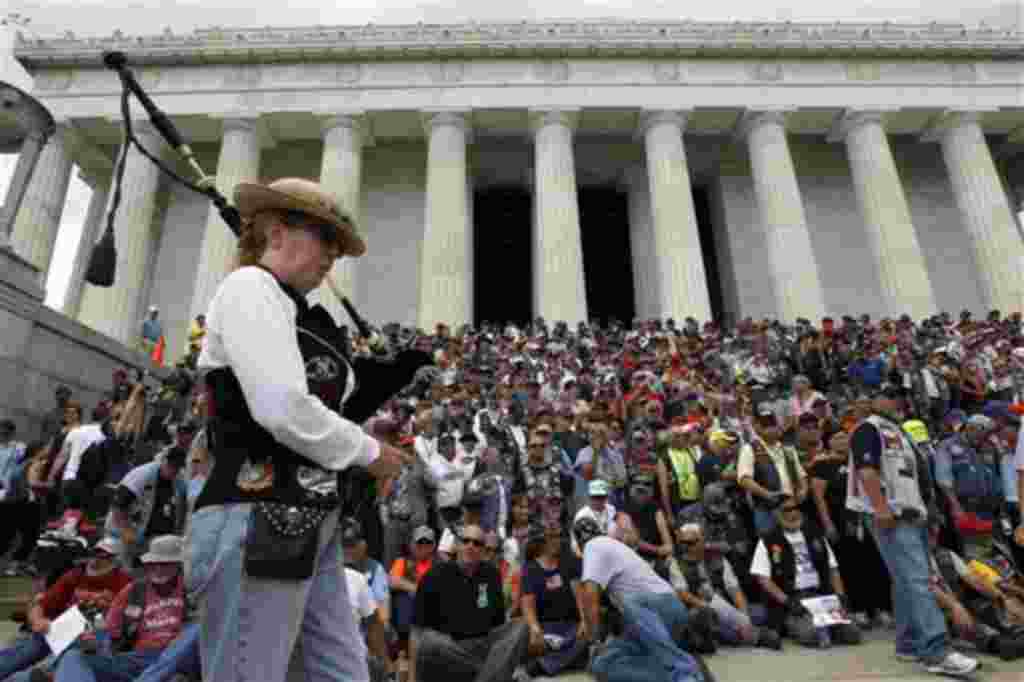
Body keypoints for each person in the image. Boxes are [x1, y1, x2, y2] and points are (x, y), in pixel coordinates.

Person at [188, 177, 417, 682]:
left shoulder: (300, 315)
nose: (332, 254)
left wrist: (379, 385)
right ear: (276, 234)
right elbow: (281, 407)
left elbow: (321, 408)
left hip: (312, 522)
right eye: (323, 237)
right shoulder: (250, 287)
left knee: (342, 671)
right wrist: (366, 451)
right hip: (258, 513)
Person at [848, 385, 979, 677]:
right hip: (891, 514)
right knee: (919, 580)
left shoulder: (899, 431)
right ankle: (936, 651)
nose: (894, 401)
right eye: (888, 395)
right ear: (875, 398)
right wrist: (880, 508)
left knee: (905, 580)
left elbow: (914, 475)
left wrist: (927, 512)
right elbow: (866, 471)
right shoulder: (868, 428)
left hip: (912, 514)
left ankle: (908, 643)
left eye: (898, 397)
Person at [54, 536, 189, 682]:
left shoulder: (193, 591)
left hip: (176, 658)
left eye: (165, 564)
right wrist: (95, 643)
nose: (158, 569)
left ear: (180, 565)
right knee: (73, 655)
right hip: (136, 659)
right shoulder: (133, 589)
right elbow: (108, 630)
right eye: (153, 563)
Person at [0, 537, 131, 682]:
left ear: (117, 561)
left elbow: (123, 622)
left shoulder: (124, 582)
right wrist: (38, 620)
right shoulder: (75, 575)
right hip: (61, 628)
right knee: (32, 644)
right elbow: (41, 605)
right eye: (96, 553)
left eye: (106, 556)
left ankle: (45, 672)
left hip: (95, 633)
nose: (98, 559)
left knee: (83, 645)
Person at [410, 524, 529, 682]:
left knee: (521, 626)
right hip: (449, 648)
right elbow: (417, 631)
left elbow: (498, 624)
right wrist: (413, 679)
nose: (470, 546)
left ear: (482, 550)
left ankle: (487, 675)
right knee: (429, 641)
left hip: (483, 644)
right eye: (465, 541)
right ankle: (492, 675)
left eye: (477, 543)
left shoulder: (491, 574)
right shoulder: (434, 576)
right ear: (457, 545)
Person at [750, 500, 861, 648]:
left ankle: (827, 627)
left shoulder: (815, 533)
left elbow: (832, 568)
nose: (792, 513)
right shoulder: (768, 540)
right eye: (787, 510)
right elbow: (763, 579)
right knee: (812, 635)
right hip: (794, 601)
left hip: (821, 596)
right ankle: (819, 628)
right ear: (777, 514)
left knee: (853, 634)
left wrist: (840, 595)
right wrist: (788, 601)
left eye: (795, 508)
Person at [669, 521, 781, 650]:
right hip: (699, 607)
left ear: (702, 541)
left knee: (761, 612)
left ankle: (734, 632)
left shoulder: (718, 558)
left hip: (726, 607)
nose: (687, 547)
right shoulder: (676, 563)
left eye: (691, 542)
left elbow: (734, 589)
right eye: (684, 543)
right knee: (705, 617)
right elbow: (682, 593)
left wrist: (744, 616)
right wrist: (708, 606)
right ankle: (754, 636)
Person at [520, 525, 589, 678]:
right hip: (544, 628)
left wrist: (584, 620)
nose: (555, 541)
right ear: (542, 541)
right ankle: (565, 658)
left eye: (559, 536)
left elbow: (579, 594)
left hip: (569, 627)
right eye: (551, 536)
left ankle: (542, 666)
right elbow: (527, 604)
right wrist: (534, 628)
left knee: (588, 631)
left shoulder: (568, 563)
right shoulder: (530, 568)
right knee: (525, 635)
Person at [105, 446, 188, 566]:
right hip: (123, 532)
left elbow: (181, 510)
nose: (173, 470)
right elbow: (118, 505)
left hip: (149, 539)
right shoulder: (142, 475)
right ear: (163, 460)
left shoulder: (179, 481)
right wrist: (126, 531)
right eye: (171, 465)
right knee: (123, 569)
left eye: (177, 467)